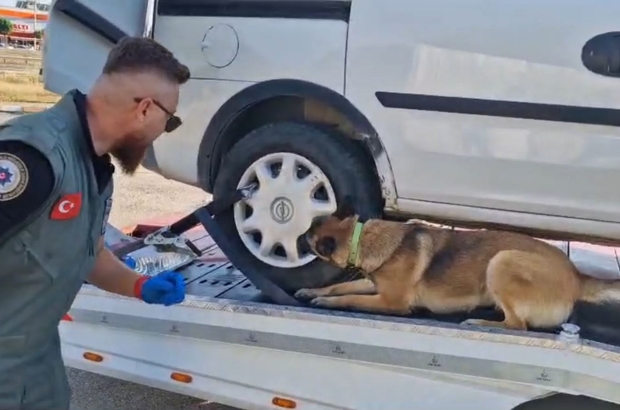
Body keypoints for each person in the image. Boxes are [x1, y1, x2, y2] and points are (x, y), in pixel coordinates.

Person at [0, 36, 191, 409]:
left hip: (37, 366)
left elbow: (88, 253)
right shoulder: (33, 158)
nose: (161, 134)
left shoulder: (91, 166)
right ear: (146, 110)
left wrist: (140, 286)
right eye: (169, 122)